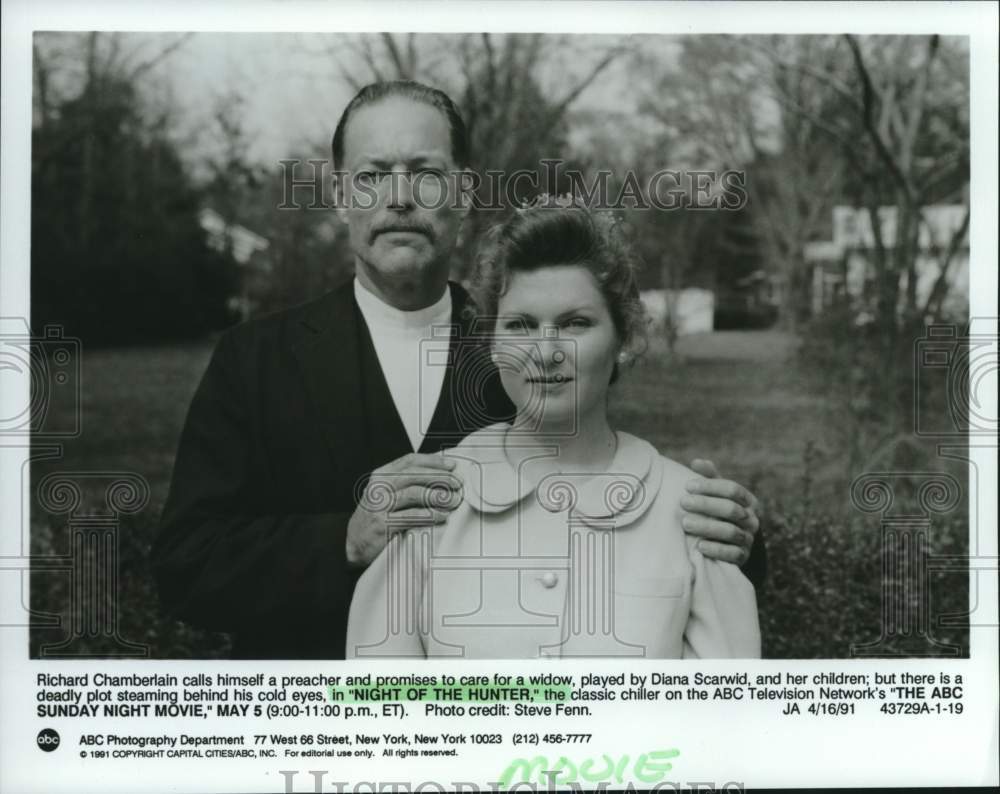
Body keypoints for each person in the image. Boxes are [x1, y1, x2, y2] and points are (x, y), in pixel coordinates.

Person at [152, 80, 763, 659]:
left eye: (425, 173)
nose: (399, 197)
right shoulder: (257, 358)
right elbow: (184, 566)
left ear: (464, 193)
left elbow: (621, 514)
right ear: (340, 196)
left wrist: (734, 536)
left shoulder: (524, 342)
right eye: (372, 176)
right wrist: (344, 540)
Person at [346, 198, 761, 659]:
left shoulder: (689, 512)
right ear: (491, 342)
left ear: (624, 339)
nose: (545, 353)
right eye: (521, 326)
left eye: (575, 323)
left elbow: (722, 698)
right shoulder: (430, 500)